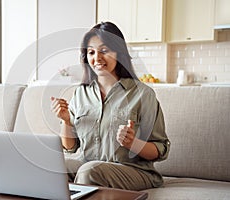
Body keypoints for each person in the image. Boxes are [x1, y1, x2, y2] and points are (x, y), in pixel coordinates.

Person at [50, 22, 170, 191]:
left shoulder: (143, 94)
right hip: (89, 166)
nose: (97, 58)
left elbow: (161, 149)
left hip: (134, 171)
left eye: (104, 51)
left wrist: (132, 143)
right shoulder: (81, 93)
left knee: (89, 171)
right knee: (53, 167)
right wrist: (66, 121)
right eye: (91, 52)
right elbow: (71, 147)